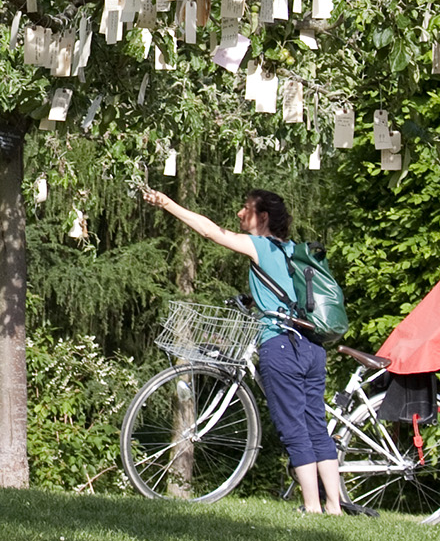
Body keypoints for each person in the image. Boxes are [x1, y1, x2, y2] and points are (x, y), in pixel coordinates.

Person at [137, 182, 343, 514]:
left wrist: (167, 204)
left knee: (293, 428)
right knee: (316, 425)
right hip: (313, 346)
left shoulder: (260, 246)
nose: (239, 213)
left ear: (263, 217)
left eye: (246, 208)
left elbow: (210, 231)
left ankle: (312, 506)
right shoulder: (297, 251)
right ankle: (334, 506)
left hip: (281, 344)